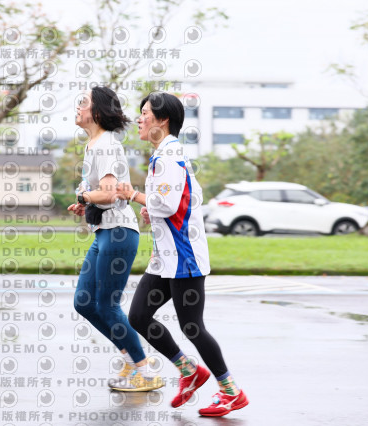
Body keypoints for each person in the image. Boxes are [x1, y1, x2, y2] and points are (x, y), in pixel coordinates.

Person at [116, 92, 249, 416]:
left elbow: (168, 204)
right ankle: (189, 370)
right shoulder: (166, 155)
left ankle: (231, 391)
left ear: (163, 120)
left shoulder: (169, 157)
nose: (139, 119)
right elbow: (188, 199)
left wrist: (134, 195)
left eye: (145, 113)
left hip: (184, 257)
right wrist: (153, 211)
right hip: (166, 258)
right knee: (138, 316)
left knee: (192, 327)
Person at [67, 86, 162, 392]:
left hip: (118, 232)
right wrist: (87, 203)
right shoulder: (94, 144)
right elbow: (104, 194)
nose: (78, 107)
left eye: (83, 103)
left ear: (97, 111)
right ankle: (131, 358)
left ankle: (145, 371)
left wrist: (84, 196)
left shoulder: (106, 145)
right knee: (84, 302)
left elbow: (108, 194)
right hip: (105, 232)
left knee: (107, 306)